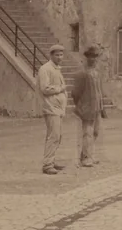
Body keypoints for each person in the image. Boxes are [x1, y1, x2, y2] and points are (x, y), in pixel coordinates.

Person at [71, 44, 106, 167]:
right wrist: (81, 105)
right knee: (87, 133)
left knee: (95, 132)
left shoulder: (96, 73)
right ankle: (86, 158)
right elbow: (75, 93)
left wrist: (102, 107)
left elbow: (99, 91)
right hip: (87, 107)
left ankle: (87, 154)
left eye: (95, 57)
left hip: (97, 107)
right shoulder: (82, 73)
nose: (94, 59)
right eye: (91, 57)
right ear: (87, 58)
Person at [37, 43, 68, 175]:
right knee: (54, 135)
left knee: (57, 136)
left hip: (58, 108)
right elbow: (45, 88)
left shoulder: (56, 69)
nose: (60, 57)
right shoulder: (45, 69)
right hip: (51, 107)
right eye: (57, 55)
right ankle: (47, 165)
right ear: (51, 55)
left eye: (61, 55)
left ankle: (51, 160)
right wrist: (60, 89)